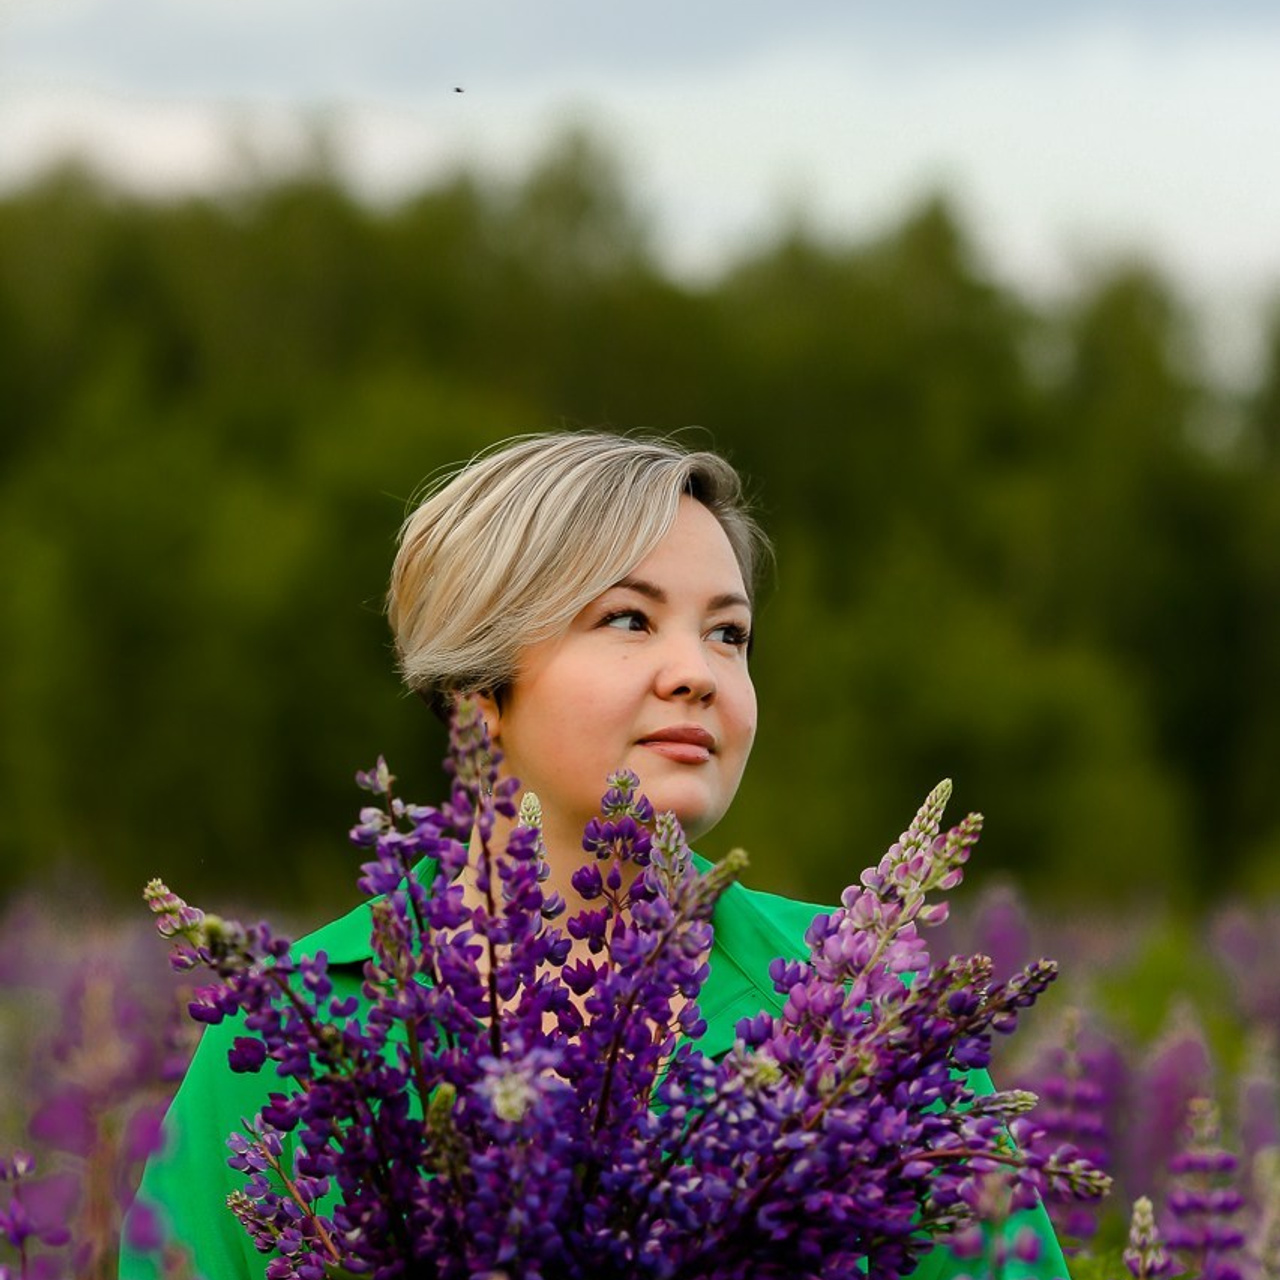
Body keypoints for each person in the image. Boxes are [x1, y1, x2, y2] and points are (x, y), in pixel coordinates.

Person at [121, 431, 1067, 1279]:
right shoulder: (294, 1025)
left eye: (729, 633)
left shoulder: (858, 999)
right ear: (479, 684)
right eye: (628, 619)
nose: (697, 671)